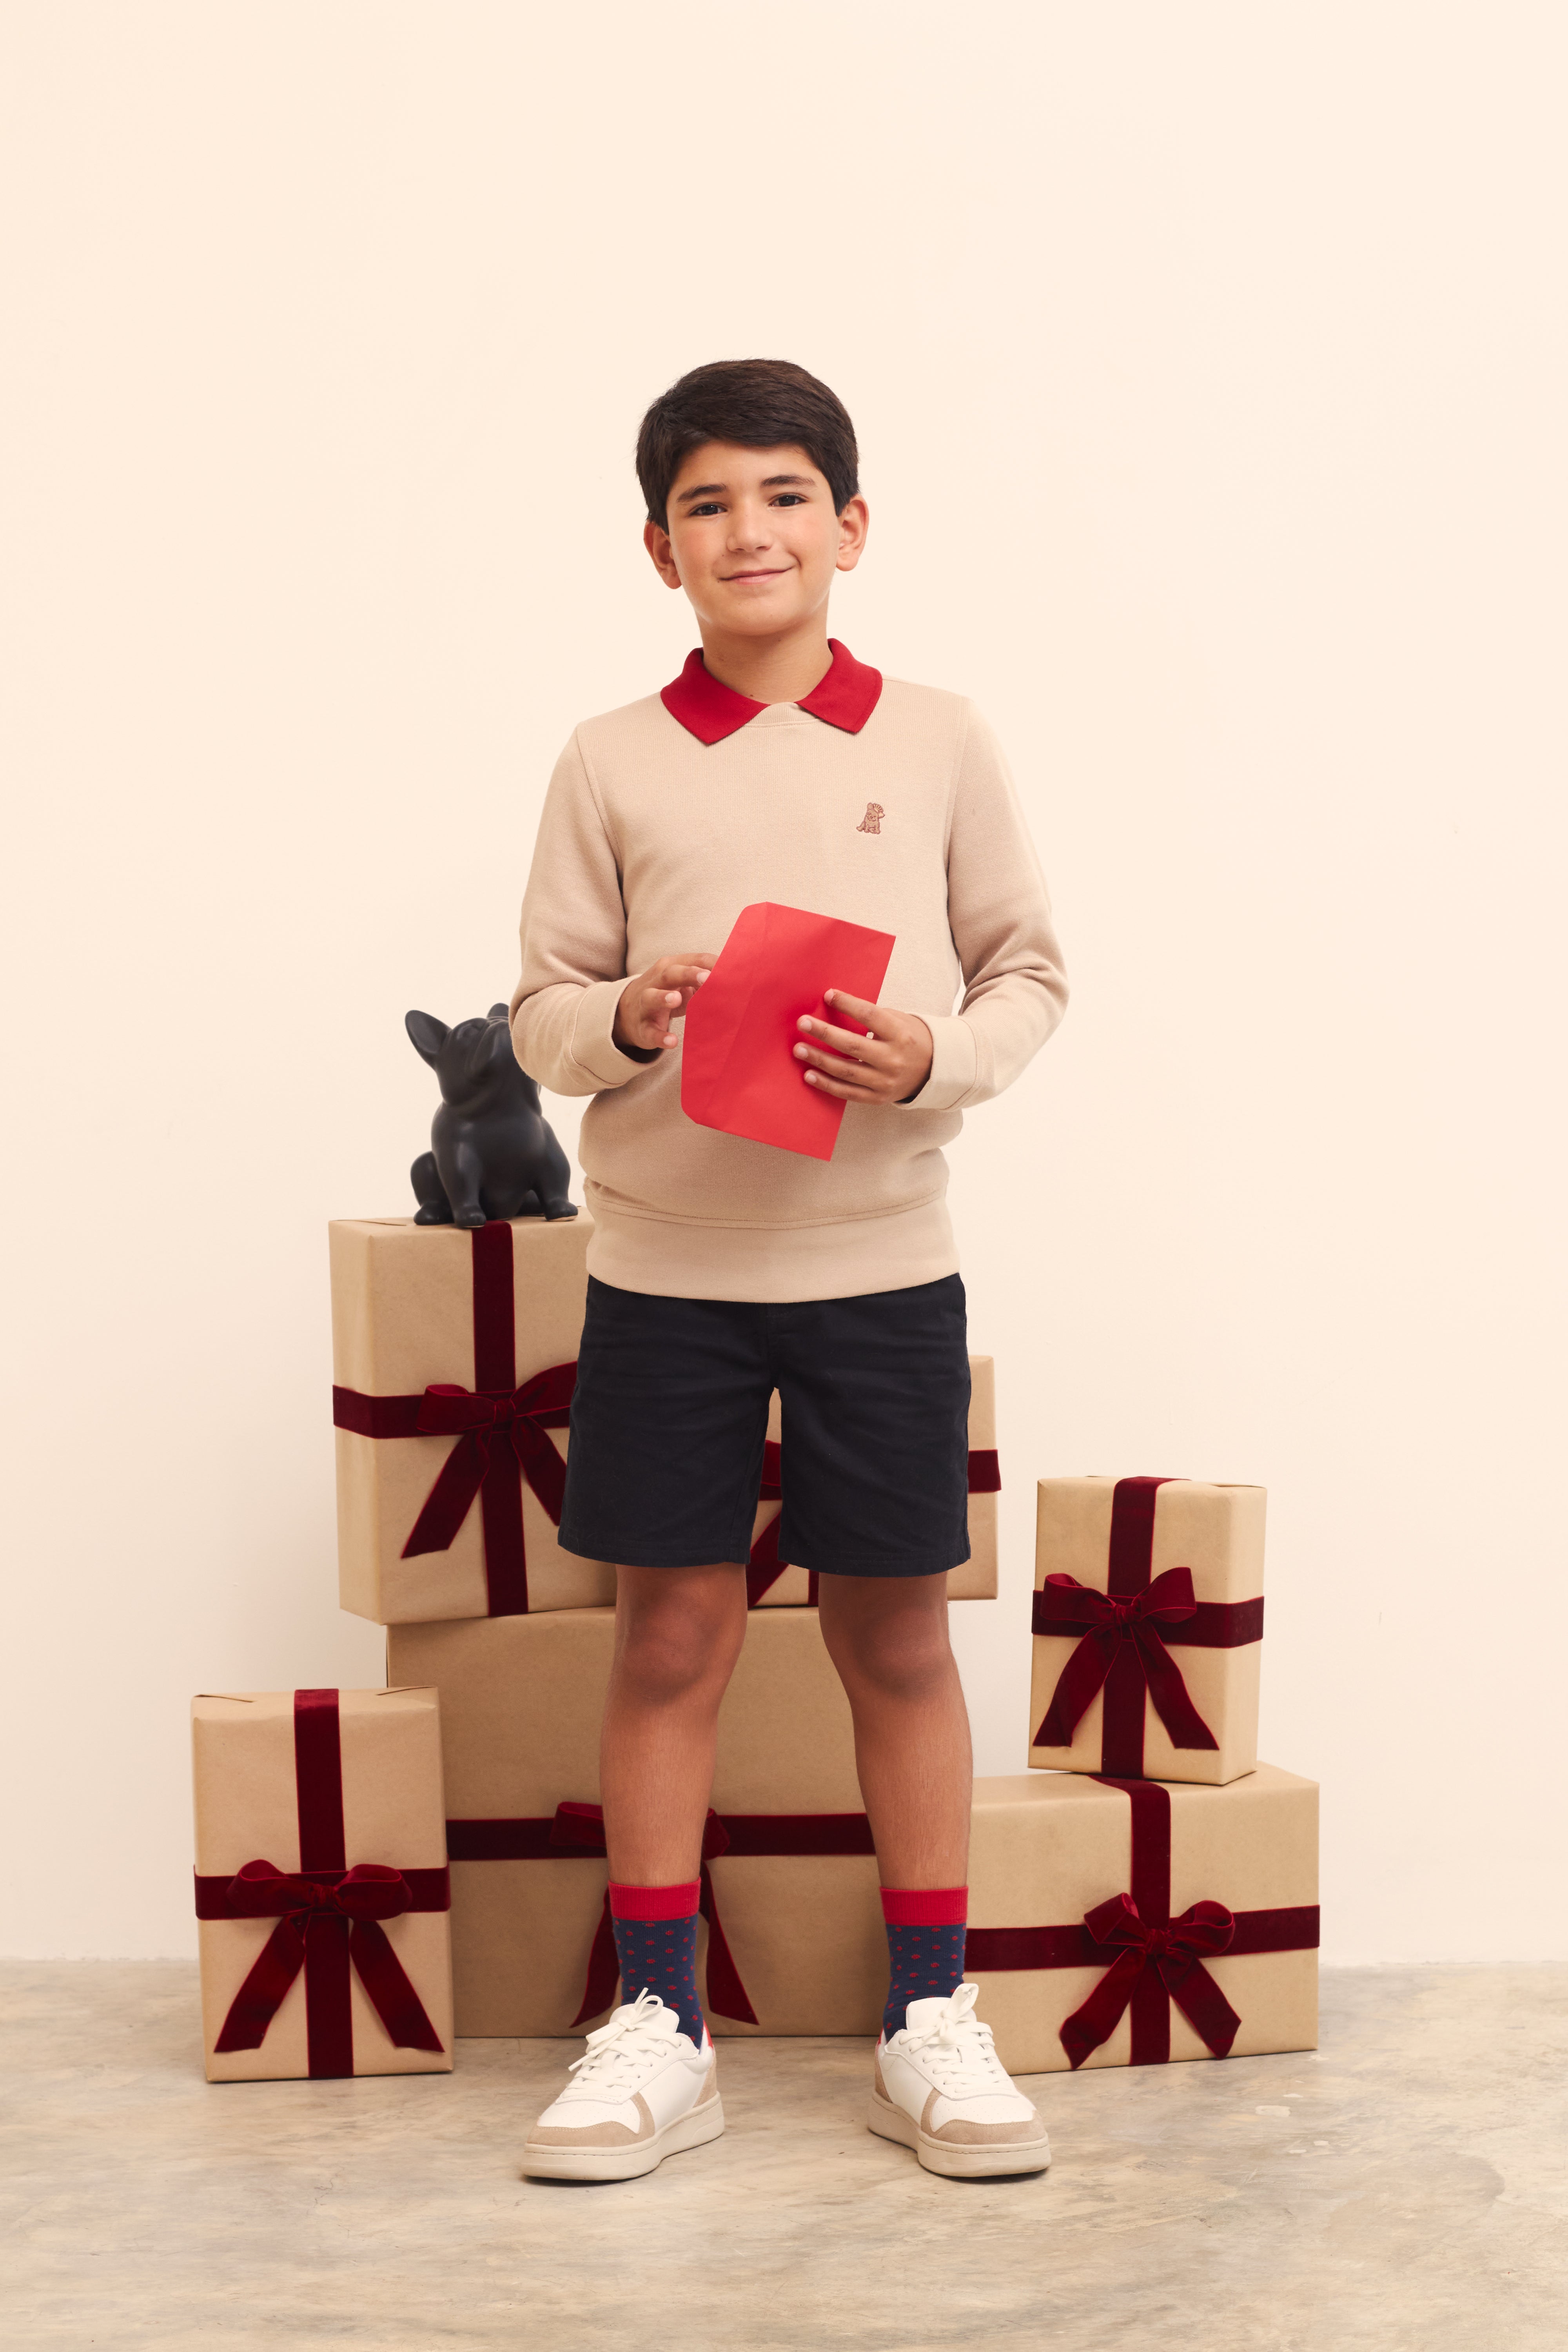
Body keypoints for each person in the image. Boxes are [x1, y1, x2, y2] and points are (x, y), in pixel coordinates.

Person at [509, 359, 1067, 2183]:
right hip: (663, 1274)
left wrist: (936, 1059)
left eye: (780, 494)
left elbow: (1028, 975)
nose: (746, 531)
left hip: (882, 1268)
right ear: (657, 548)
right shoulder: (607, 757)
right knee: (667, 1632)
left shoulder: (942, 737)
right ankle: (660, 2023)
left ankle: (930, 2017)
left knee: (894, 1630)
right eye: (704, 505)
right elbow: (538, 1013)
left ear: (849, 525)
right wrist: (626, 1018)